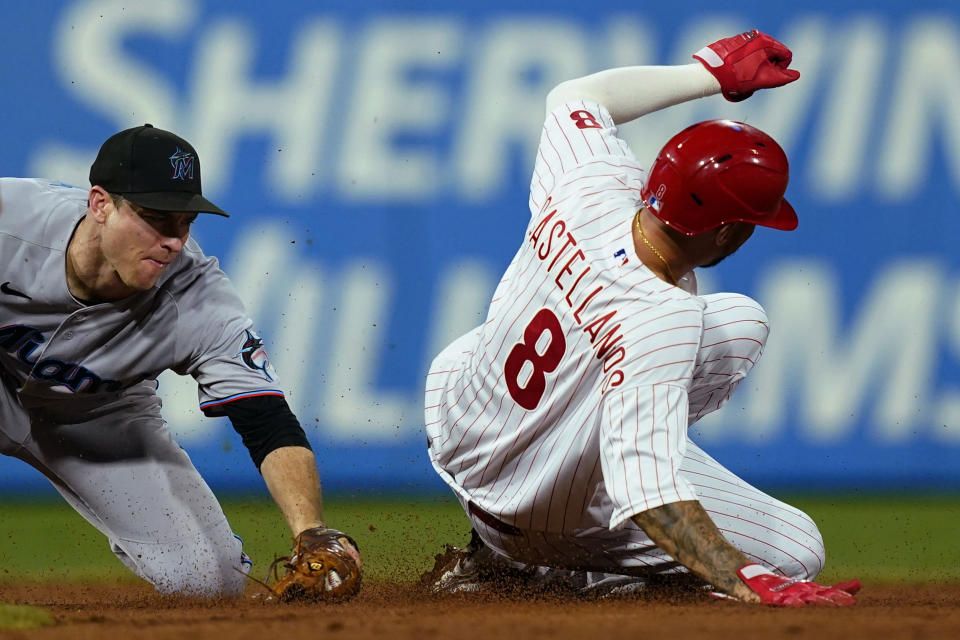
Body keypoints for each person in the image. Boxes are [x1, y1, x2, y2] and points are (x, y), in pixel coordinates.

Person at [423, 31, 860, 606]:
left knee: (738, 322)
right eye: (753, 222)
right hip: (534, 515)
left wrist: (708, 73)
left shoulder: (592, 183)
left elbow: (575, 95)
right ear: (726, 229)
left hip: (458, 424)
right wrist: (740, 575)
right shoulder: (662, 319)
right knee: (797, 550)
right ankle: (565, 572)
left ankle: (528, 524)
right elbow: (650, 493)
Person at [0, 124, 359, 599]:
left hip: (99, 419)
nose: (173, 240)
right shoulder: (11, 219)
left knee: (209, 582)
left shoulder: (200, 300)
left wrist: (310, 529)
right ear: (101, 204)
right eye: (156, 218)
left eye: (184, 221)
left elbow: (267, 420)